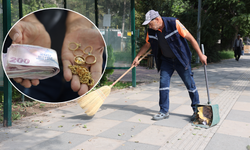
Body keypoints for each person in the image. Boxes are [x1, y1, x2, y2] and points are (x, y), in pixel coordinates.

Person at [4, 9, 105, 102]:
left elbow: (83, 7)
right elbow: (18, 6)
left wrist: (79, 26)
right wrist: (29, 21)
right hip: (37, 67)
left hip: (81, 66)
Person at [132, 10, 207, 121]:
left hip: (181, 59)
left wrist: (201, 55)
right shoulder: (152, 31)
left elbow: (191, 38)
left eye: (150, 23)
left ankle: (196, 111)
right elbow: (147, 44)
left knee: (190, 85)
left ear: (157, 19)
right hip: (166, 60)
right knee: (163, 84)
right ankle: (163, 111)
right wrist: (137, 57)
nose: (149, 26)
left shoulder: (174, 23)